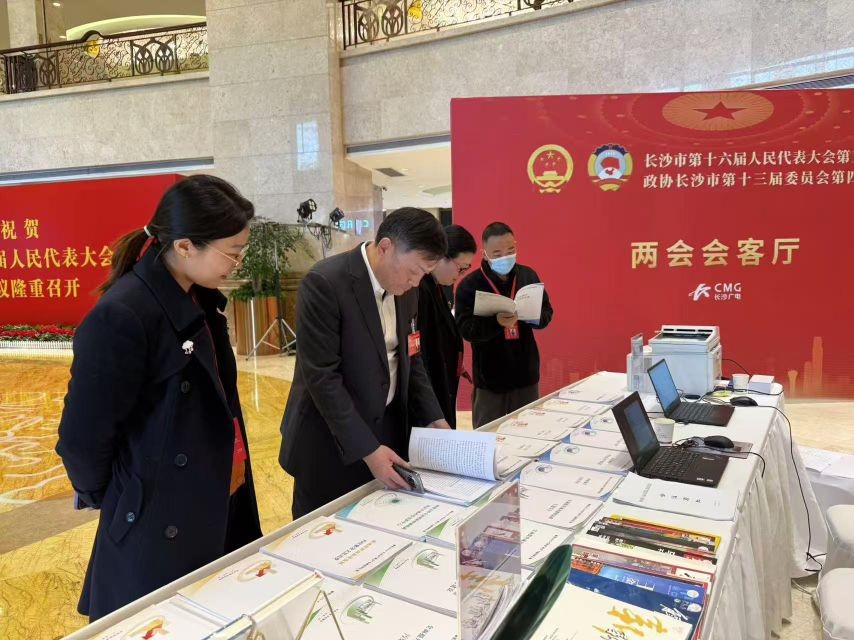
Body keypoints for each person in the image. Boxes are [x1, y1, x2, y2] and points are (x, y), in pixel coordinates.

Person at [55, 175, 262, 621]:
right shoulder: (124, 314)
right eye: (232, 252)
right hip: (158, 517)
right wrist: (126, 496)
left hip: (213, 493)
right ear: (185, 246)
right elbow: (81, 439)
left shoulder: (201, 298)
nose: (238, 262)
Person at [280, 207, 451, 520]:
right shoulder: (325, 283)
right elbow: (323, 379)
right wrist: (368, 450)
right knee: (327, 532)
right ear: (385, 247)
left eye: (424, 275)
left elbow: (412, 358)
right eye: (413, 271)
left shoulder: (406, 291)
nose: (415, 282)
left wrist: (435, 418)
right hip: (330, 442)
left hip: (387, 431)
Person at [455, 221, 554, 427]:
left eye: (510, 251)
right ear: (484, 254)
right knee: (489, 436)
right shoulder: (469, 285)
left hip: (526, 376)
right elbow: (465, 330)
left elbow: (547, 313)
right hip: (490, 380)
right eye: (497, 254)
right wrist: (496, 322)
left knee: (529, 434)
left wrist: (529, 315)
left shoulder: (528, 275)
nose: (505, 258)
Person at [416, 224, 477, 428]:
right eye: (461, 267)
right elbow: (421, 352)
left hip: (442, 383)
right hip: (430, 395)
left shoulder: (436, 287)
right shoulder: (421, 290)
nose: (461, 274)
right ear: (442, 256)